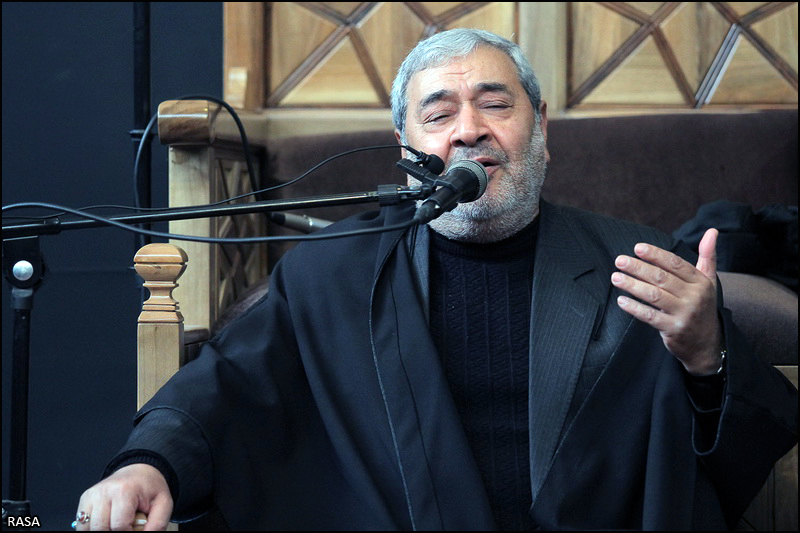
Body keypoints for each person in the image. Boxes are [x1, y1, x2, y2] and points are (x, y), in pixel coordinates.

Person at [75, 28, 797, 531]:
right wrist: (148, 465)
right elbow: (222, 388)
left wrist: (708, 354)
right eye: (439, 112)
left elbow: (740, 455)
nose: (469, 129)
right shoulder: (331, 273)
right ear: (407, 146)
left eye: (496, 103)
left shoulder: (635, 267)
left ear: (541, 128)